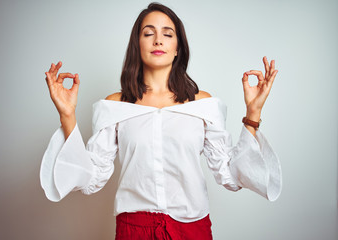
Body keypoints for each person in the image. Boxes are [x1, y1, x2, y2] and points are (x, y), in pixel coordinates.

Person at [41, 3, 282, 240]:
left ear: (178, 47)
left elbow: (230, 176)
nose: (158, 40)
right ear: (138, 44)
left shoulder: (203, 104)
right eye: (148, 33)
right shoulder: (116, 105)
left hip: (191, 230)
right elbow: (92, 179)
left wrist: (253, 111)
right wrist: (67, 115)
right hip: (133, 230)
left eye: (167, 34)